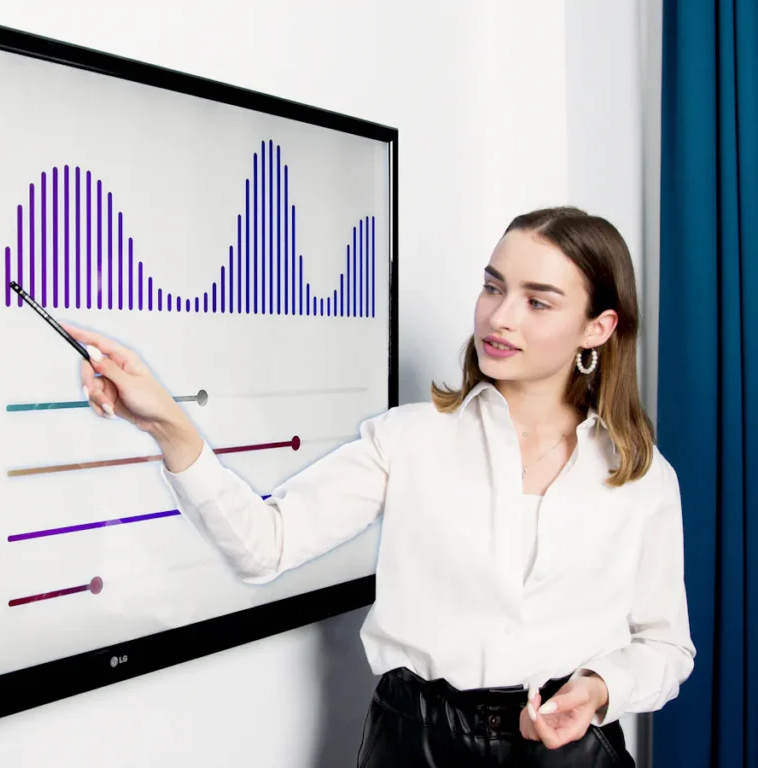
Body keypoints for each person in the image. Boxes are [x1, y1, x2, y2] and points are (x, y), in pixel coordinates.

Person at [65, 206, 695, 767]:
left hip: (571, 755)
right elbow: (263, 546)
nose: (500, 317)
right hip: (414, 744)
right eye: (492, 286)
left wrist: (599, 687)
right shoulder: (409, 439)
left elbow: (666, 647)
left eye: (538, 300)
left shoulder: (641, 478)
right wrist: (168, 425)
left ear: (599, 328)